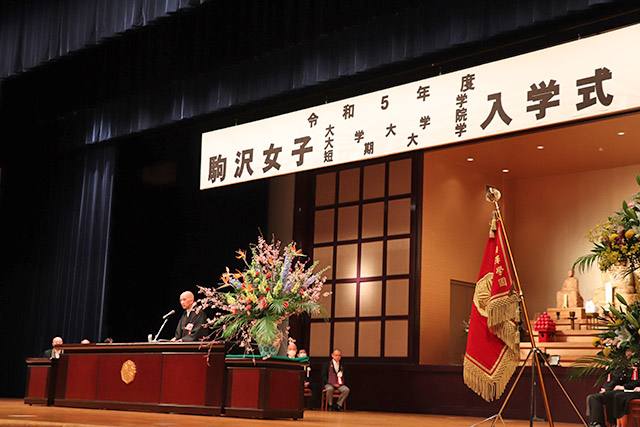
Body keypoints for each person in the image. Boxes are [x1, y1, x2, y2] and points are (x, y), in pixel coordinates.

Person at [586, 348, 634, 427]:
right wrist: (606, 388)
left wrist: (624, 387)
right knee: (593, 397)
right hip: (617, 389)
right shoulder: (622, 365)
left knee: (613, 396)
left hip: (626, 390)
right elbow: (615, 379)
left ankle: (614, 423)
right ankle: (597, 424)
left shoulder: (635, 365)